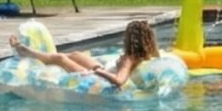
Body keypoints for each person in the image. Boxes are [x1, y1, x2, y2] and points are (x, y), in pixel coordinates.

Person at [9, 19, 159, 89]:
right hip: (104, 70)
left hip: (98, 79)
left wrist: (97, 71)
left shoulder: (129, 58)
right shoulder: (142, 54)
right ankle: (45, 55)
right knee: (75, 54)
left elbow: (119, 81)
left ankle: (27, 52)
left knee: (61, 58)